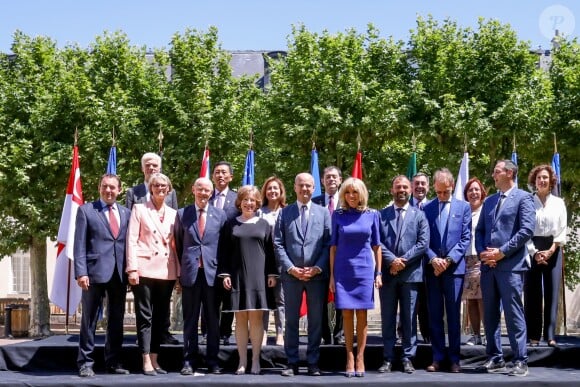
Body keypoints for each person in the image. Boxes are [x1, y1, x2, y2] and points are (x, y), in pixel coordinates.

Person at [475, 159, 535, 377]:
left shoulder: (524, 198)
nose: (493, 175)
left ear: (510, 173)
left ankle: (520, 360)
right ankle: (495, 357)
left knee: (513, 314)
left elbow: (526, 230)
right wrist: (484, 253)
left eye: (497, 171)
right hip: (488, 267)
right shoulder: (489, 201)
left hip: (511, 266)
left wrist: (501, 252)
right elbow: (480, 230)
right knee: (489, 314)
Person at [274, 172, 331, 377]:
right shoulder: (284, 213)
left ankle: (313, 362)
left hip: (316, 276)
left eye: (308, 185)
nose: (305, 189)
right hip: (291, 276)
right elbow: (278, 244)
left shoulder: (324, 213)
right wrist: (290, 268)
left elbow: (328, 244)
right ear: (295, 187)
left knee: (316, 321)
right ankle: (292, 362)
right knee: (291, 321)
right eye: (301, 185)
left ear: (314, 188)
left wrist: (317, 267)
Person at [74, 174, 131, 377]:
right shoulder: (86, 211)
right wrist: (81, 272)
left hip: (119, 274)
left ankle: (113, 361)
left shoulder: (126, 213)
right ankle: (86, 363)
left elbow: (129, 245)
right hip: (94, 273)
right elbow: (79, 244)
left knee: (116, 320)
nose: (109, 190)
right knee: (89, 320)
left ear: (119, 190)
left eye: (112, 187)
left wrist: (131, 270)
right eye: (105, 186)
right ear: (99, 188)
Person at [220, 186, 278, 375]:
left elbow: (271, 252)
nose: (249, 203)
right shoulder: (230, 224)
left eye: (252, 200)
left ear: (257, 203)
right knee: (240, 319)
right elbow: (224, 253)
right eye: (245, 200)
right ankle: (242, 361)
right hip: (237, 277)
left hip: (259, 277)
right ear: (240, 202)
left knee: (256, 319)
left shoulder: (264, 224)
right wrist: (226, 274)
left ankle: (255, 361)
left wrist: (271, 274)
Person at [126, 173, 179, 375]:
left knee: (160, 317)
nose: (160, 188)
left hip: (166, 270)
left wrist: (179, 274)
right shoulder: (139, 209)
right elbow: (131, 240)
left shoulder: (174, 214)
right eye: (156, 185)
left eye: (163, 185)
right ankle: (145, 359)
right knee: (145, 316)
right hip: (144, 268)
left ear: (168, 189)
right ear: (151, 188)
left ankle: (156, 359)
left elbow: (176, 246)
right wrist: (132, 269)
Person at [328, 177, 382, 377]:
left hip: (364, 271)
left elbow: (377, 247)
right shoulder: (338, 215)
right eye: (348, 192)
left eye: (355, 192)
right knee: (347, 314)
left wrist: (379, 273)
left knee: (362, 315)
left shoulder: (372, 215)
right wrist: (332, 276)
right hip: (343, 270)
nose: (351, 196)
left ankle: (360, 357)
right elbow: (333, 247)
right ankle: (349, 356)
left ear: (362, 194)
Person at [175, 177, 228, 375]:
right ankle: (189, 361)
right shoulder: (182, 214)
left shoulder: (220, 215)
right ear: (193, 190)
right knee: (190, 319)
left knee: (213, 320)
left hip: (212, 275)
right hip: (191, 274)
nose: (204, 193)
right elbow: (179, 243)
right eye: (200, 189)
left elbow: (223, 246)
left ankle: (213, 361)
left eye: (207, 190)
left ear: (211, 193)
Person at [378, 175, 429, 374]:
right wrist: (392, 261)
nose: (401, 190)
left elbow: (422, 243)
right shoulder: (381, 215)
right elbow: (377, 242)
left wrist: (402, 262)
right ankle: (388, 358)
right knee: (388, 319)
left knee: (409, 319)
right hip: (389, 275)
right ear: (392, 190)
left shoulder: (419, 215)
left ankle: (408, 357)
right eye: (398, 187)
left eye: (405, 187)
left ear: (410, 190)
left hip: (411, 275)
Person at [423, 169, 471, 373]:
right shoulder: (426, 208)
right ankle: (437, 357)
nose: (442, 196)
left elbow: (465, 238)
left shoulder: (464, 207)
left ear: (452, 187)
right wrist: (434, 259)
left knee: (452, 316)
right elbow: (423, 238)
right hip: (433, 271)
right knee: (434, 315)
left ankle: (454, 359)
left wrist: (449, 260)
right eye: (439, 192)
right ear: (434, 187)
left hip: (454, 270)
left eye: (446, 192)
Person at [524, 165, 567, 348]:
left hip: (553, 248)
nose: (542, 180)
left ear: (551, 181)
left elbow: (562, 229)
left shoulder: (559, 203)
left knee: (551, 293)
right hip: (532, 249)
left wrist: (550, 250)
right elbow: (524, 230)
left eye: (545, 178)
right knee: (532, 293)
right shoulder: (527, 202)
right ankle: (533, 336)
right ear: (534, 181)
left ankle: (550, 336)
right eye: (539, 178)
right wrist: (535, 253)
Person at [312, 166, 345, 346]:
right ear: (322, 181)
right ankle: (324, 334)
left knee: (341, 297)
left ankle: (340, 333)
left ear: (340, 180)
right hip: (320, 257)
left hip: (342, 257)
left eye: (334, 177)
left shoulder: (348, 200)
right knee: (320, 298)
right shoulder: (314, 202)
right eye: (327, 177)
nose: (331, 180)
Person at [210, 161, 239, 346]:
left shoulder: (237, 200)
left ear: (230, 177)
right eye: (217, 172)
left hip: (230, 256)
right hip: (209, 256)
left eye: (224, 173)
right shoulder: (204, 196)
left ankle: (225, 333)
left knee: (228, 298)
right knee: (209, 298)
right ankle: (208, 332)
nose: (220, 176)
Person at [259, 176, 287, 346]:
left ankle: (280, 333)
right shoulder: (259, 211)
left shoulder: (287, 211)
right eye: (269, 188)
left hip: (281, 261)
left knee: (281, 299)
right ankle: (261, 333)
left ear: (281, 191)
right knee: (262, 299)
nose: (272, 191)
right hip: (261, 261)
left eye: (275, 188)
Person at [463, 178, 487, 346]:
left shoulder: (487, 211)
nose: (474, 193)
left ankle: (487, 334)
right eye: (470, 190)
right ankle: (475, 334)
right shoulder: (463, 212)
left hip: (482, 259)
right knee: (471, 299)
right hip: (465, 259)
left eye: (476, 190)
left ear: (482, 192)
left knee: (483, 298)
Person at [409, 172, 431, 344]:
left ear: (428, 186)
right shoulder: (401, 205)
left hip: (429, 264)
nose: (419, 187)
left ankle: (427, 334)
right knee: (407, 303)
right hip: (407, 264)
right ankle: (405, 334)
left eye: (423, 183)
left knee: (427, 302)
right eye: (416, 183)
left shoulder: (433, 207)